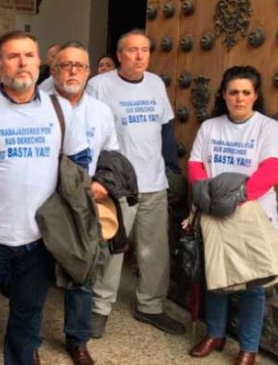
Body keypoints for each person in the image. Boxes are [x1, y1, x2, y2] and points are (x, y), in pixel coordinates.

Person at [0, 30, 89, 365]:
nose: (22, 63)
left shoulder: (60, 110)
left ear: (40, 62)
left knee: (26, 321)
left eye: (29, 55)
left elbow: (78, 161)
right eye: (13, 56)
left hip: (39, 238)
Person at [86, 29, 185, 337]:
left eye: (145, 50)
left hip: (154, 181)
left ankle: (151, 306)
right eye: (132, 50)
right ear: (119, 55)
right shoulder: (99, 86)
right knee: (113, 248)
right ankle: (99, 308)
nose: (140, 56)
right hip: (118, 184)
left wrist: (170, 168)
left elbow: (165, 129)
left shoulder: (155, 83)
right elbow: (88, 130)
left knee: (154, 250)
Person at [187, 65, 278, 365]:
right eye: (233, 92)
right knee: (217, 279)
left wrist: (238, 196)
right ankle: (215, 334)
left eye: (245, 92)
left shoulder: (267, 127)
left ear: (255, 96)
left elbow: (271, 168)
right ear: (223, 95)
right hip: (216, 213)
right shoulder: (210, 127)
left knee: (253, 287)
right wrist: (205, 192)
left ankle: (248, 348)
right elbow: (195, 164)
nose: (239, 98)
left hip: (253, 214)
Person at [43, 41, 120, 365]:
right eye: (66, 65)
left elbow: (110, 154)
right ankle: (29, 340)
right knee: (36, 272)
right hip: (43, 198)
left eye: (80, 65)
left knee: (83, 270)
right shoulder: (38, 105)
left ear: (88, 72)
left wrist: (103, 181)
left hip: (84, 201)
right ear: (54, 70)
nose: (73, 70)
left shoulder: (101, 111)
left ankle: (77, 340)